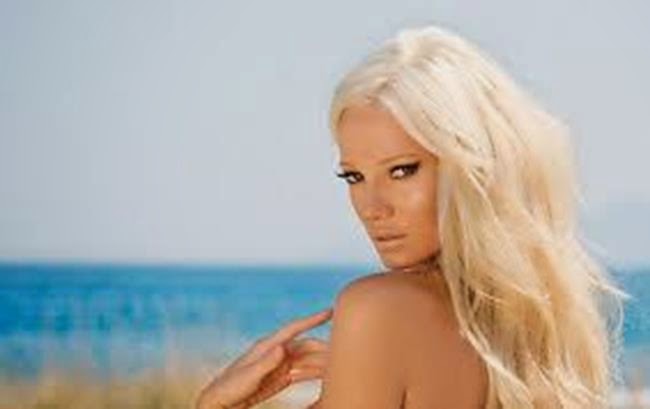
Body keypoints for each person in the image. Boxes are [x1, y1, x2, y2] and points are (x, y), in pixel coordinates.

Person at [195, 25, 628, 409]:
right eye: (354, 176)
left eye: (402, 171)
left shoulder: (379, 311)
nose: (372, 207)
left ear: (471, 169)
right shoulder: (541, 338)